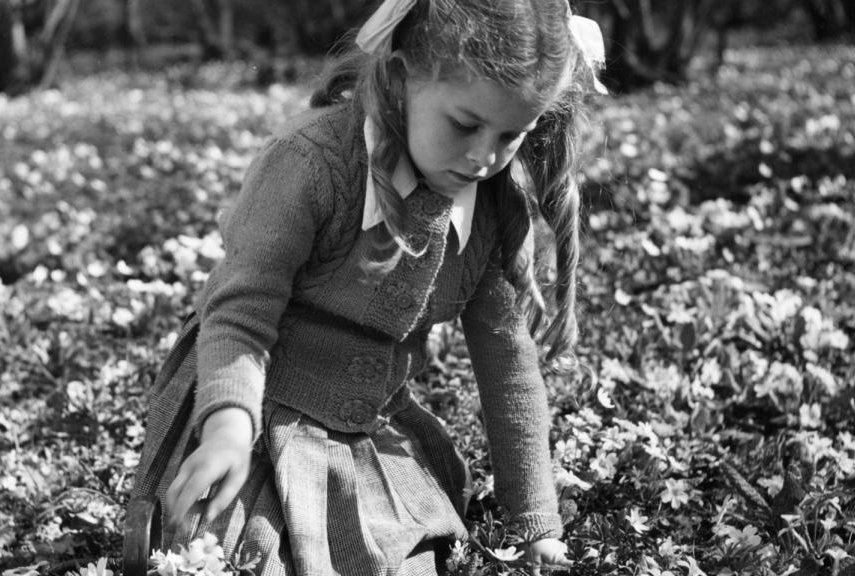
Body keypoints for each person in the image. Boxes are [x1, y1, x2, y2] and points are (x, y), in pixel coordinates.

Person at [132, 0, 607, 573]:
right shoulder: (311, 164)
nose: (484, 157)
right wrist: (228, 428)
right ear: (401, 78)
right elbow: (239, 313)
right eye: (464, 124)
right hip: (253, 413)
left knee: (407, 561)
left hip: (366, 436)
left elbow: (508, 366)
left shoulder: (490, 208)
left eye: (512, 134)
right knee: (238, 557)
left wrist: (536, 522)